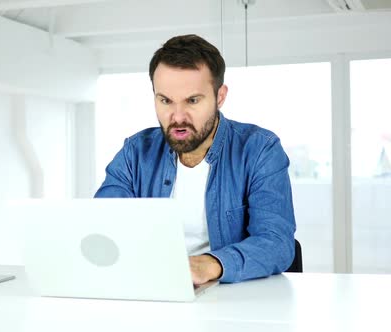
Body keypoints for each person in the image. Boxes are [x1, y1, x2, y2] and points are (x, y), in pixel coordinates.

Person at [94, 34, 296, 284]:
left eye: (192, 100)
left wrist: (210, 265)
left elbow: (276, 243)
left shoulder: (260, 150)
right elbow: (102, 227)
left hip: (230, 297)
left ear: (220, 96)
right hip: (151, 291)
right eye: (165, 100)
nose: (178, 117)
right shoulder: (135, 152)